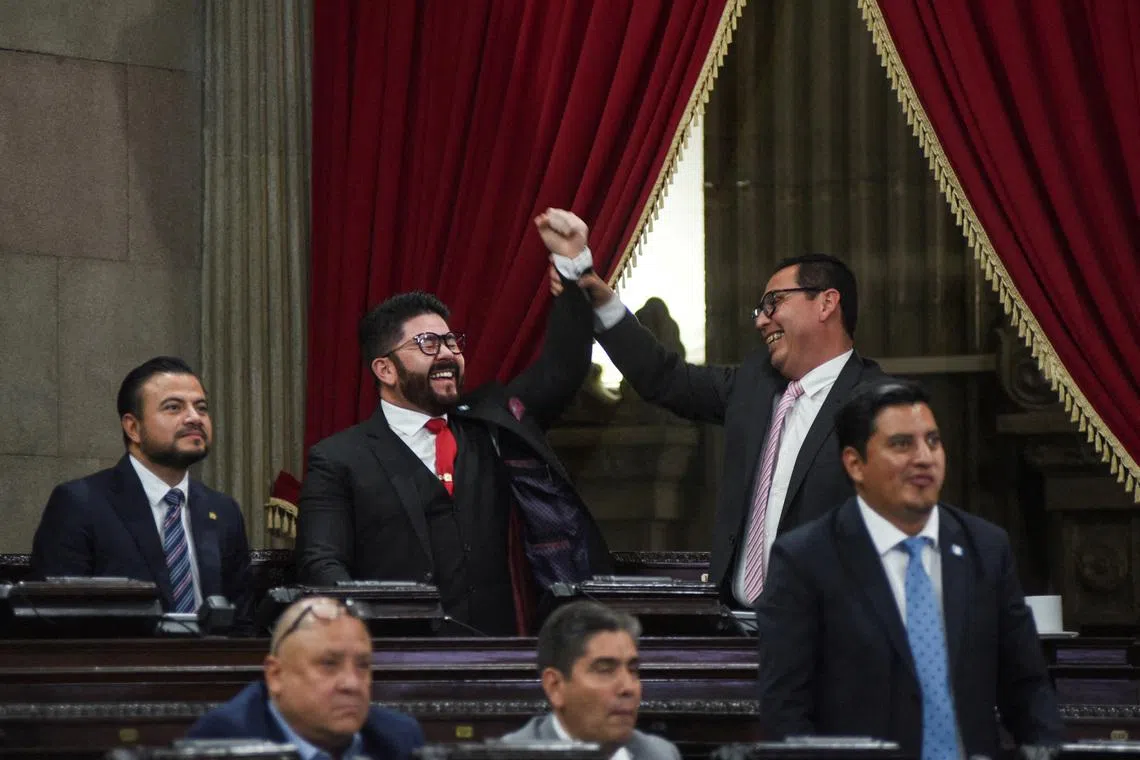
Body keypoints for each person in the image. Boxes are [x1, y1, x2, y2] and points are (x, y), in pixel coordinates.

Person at [540, 210, 884, 607]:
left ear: (826, 303)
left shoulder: (878, 403)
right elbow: (663, 378)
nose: (761, 320)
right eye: (760, 309)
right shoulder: (755, 383)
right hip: (736, 629)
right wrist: (598, 297)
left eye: (773, 302)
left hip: (825, 637)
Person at [295, 211, 613, 635]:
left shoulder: (493, 428)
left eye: (451, 341)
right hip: (397, 665)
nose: (447, 353)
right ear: (385, 370)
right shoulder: (338, 458)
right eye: (427, 344)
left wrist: (574, 267)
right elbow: (321, 563)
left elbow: (562, 370)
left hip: (503, 661)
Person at [754, 380, 1063, 759]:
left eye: (933, 441)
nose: (924, 458)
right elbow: (785, 712)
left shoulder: (985, 548)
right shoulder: (805, 560)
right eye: (902, 444)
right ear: (855, 464)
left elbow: (1028, 688)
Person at [30, 356, 252, 626]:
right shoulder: (80, 504)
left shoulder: (222, 510)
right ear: (133, 428)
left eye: (201, 408)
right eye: (173, 407)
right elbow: (56, 620)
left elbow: (243, 619)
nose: (195, 418)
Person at [187, 596, 423, 759]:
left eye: (363, 666)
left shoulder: (399, 738)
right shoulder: (224, 741)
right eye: (329, 664)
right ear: (276, 675)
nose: (351, 683)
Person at [502, 600, 680, 760]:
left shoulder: (660, 754)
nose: (628, 688)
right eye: (604, 670)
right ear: (555, 686)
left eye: (633, 671)